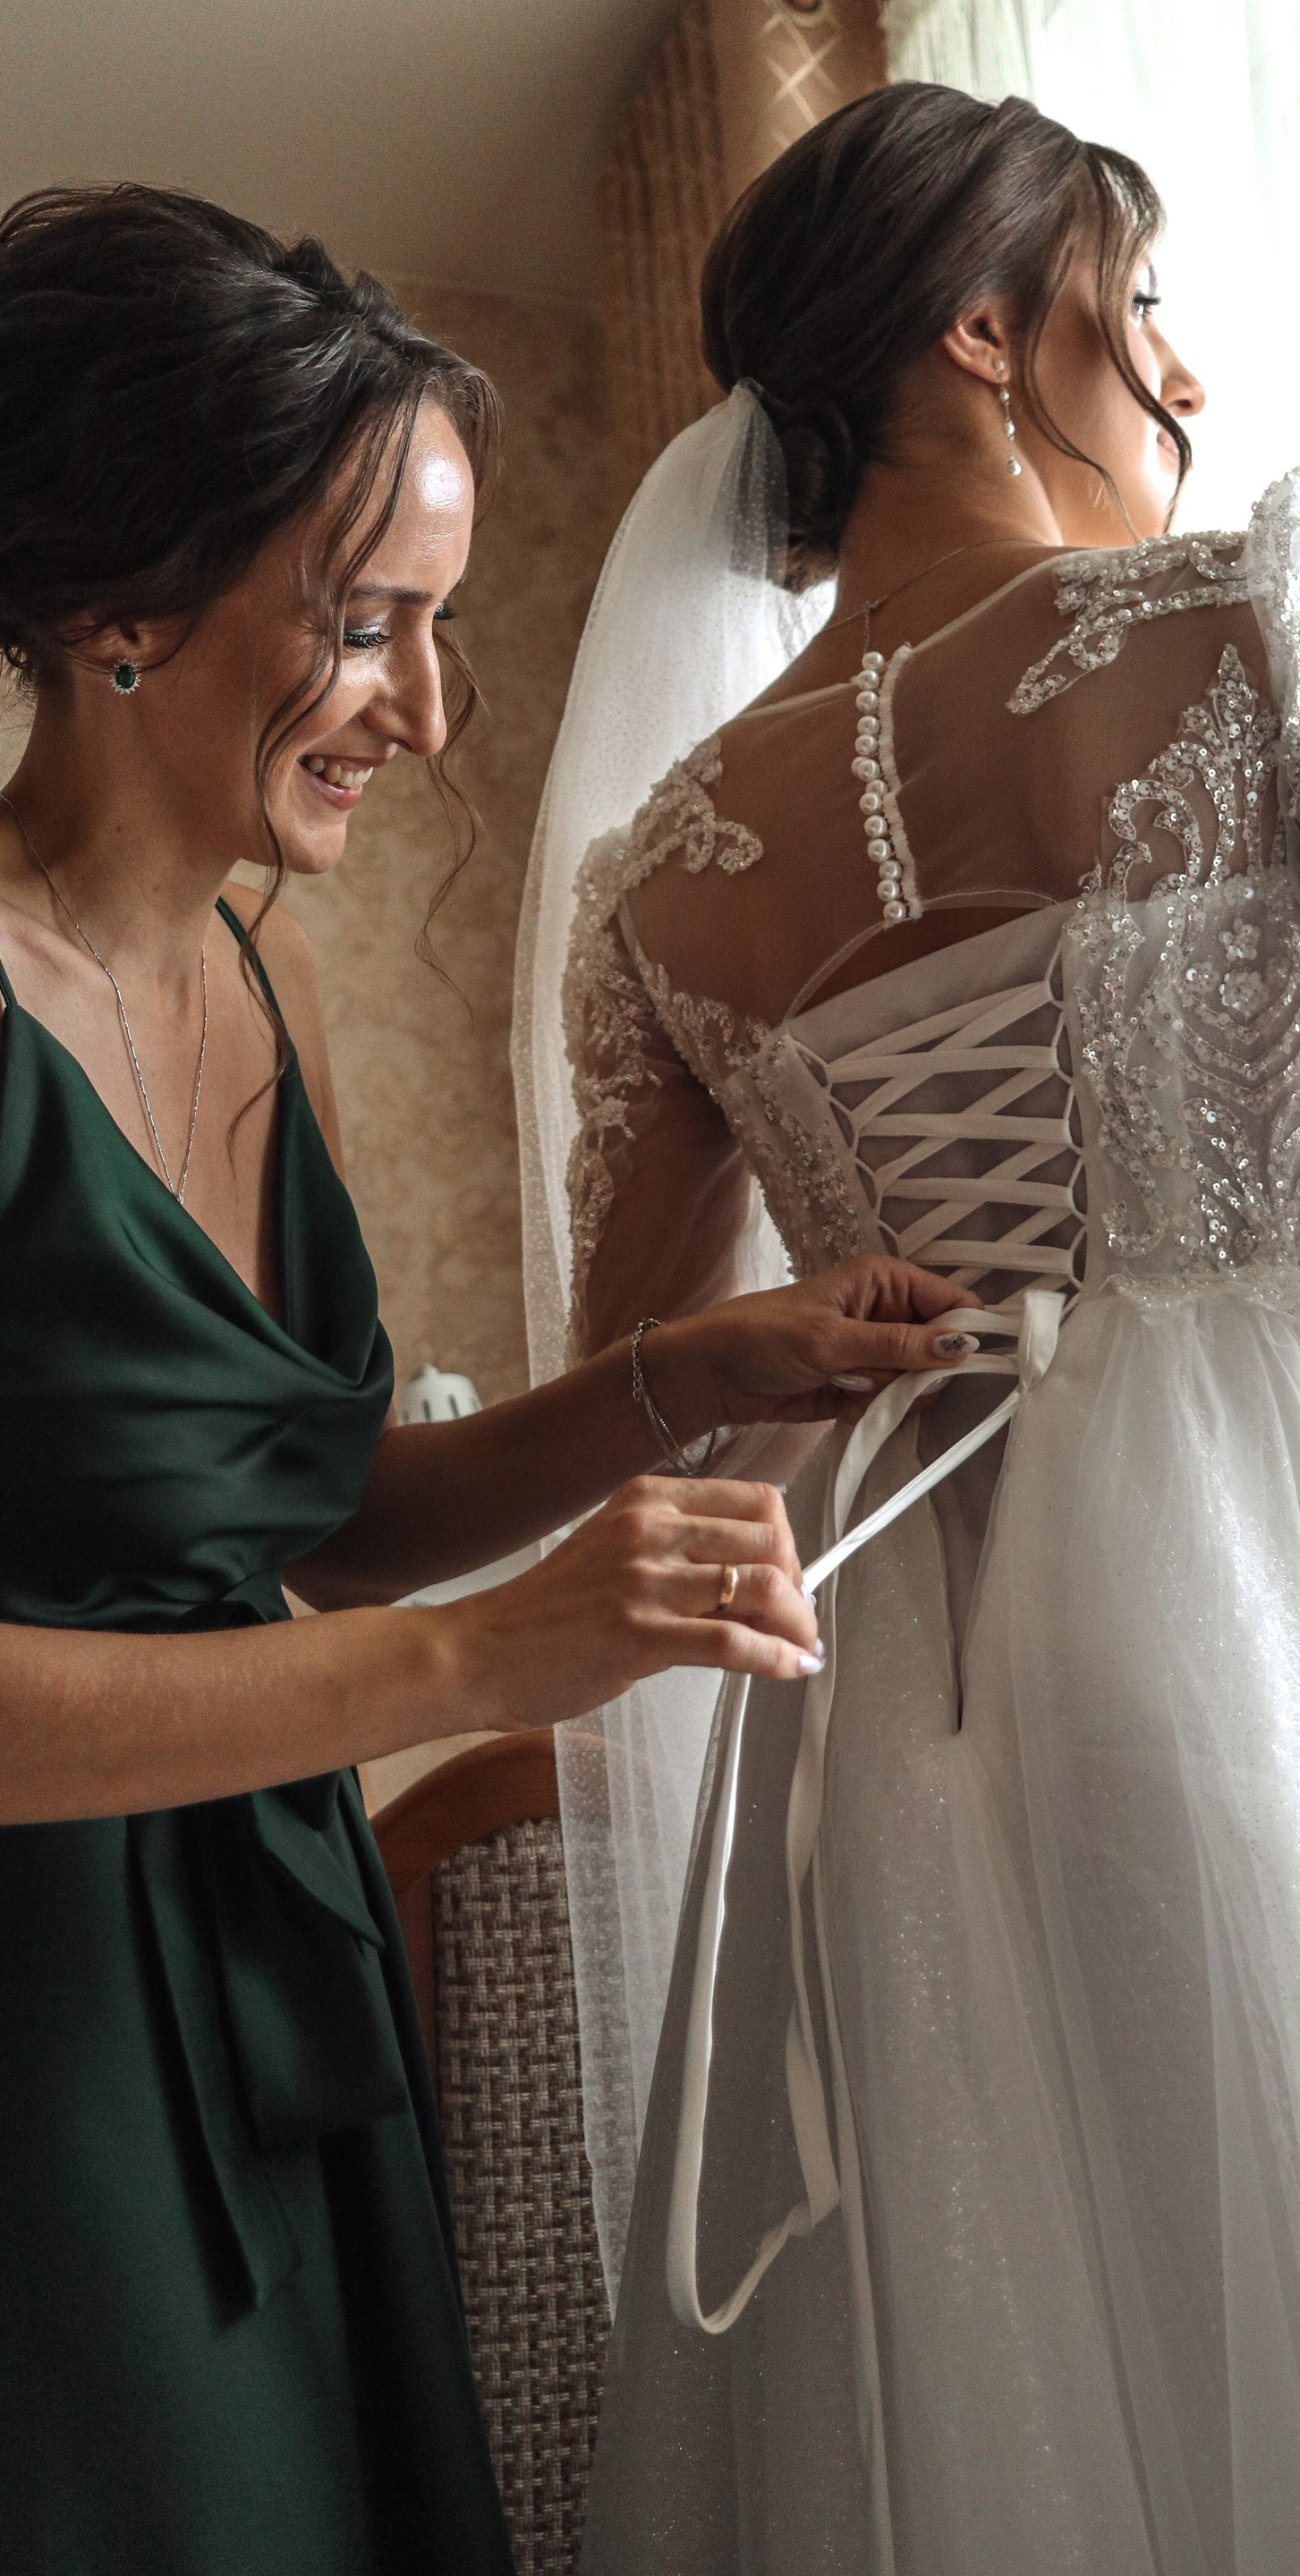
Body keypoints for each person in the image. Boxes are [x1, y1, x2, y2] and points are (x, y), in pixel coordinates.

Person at [523, 84, 1300, 2576]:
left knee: (1027, 2359)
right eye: (1137, 298)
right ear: (984, 333)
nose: (1181, 370)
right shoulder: (1249, 618)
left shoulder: (658, 880)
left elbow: (654, 1395)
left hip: (903, 1690)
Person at [0, 182, 984, 2576]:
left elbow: (325, 1513)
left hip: (275, 1969)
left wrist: (675, 1374)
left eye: (436, 630)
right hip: (45, 2035)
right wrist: (485, 1662)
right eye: (368, 626)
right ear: (124, 606)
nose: (432, 715)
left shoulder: (267, 1002)